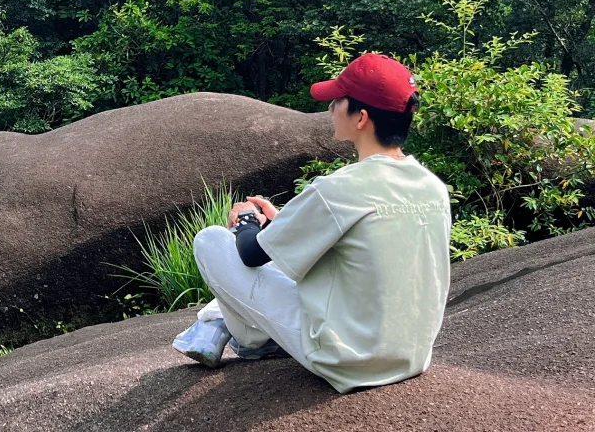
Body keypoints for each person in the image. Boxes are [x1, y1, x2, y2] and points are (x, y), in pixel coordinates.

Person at [171, 53, 451, 394]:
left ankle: (231, 330)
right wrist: (280, 220)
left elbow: (251, 254)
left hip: (344, 358)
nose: (330, 108)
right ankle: (229, 328)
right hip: (411, 357)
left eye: (337, 100)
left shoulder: (340, 188)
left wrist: (245, 221)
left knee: (211, 240)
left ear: (361, 117)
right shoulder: (431, 187)